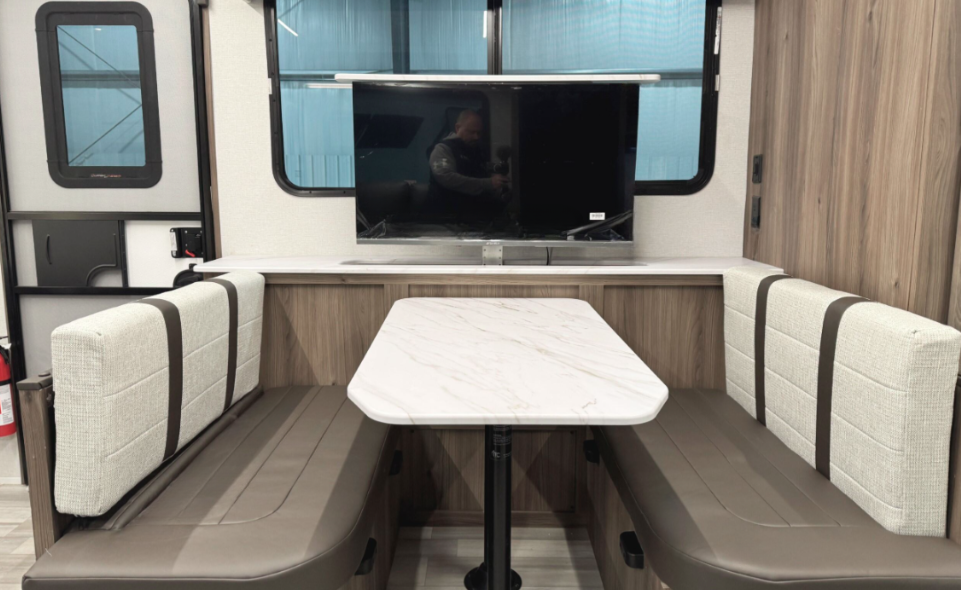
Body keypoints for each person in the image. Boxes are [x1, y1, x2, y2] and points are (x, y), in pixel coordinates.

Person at [426, 109, 509, 222]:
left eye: (479, 133)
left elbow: (476, 168)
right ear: (457, 128)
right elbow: (446, 177)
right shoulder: (443, 149)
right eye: (471, 132)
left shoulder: (475, 150)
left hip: (473, 215)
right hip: (446, 216)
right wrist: (488, 183)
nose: (476, 137)